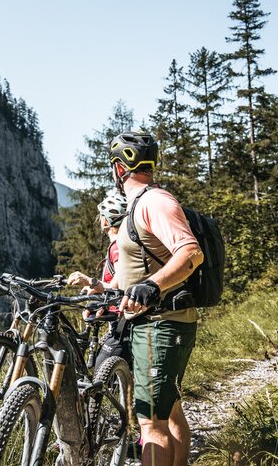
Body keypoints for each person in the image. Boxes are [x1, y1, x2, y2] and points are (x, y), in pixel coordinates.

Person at [85, 131, 204, 466]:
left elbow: (190, 253)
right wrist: (106, 291)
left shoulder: (154, 201)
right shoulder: (139, 204)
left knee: (151, 424)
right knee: (169, 409)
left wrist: (152, 286)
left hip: (160, 324)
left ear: (118, 168)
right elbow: (138, 264)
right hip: (161, 322)